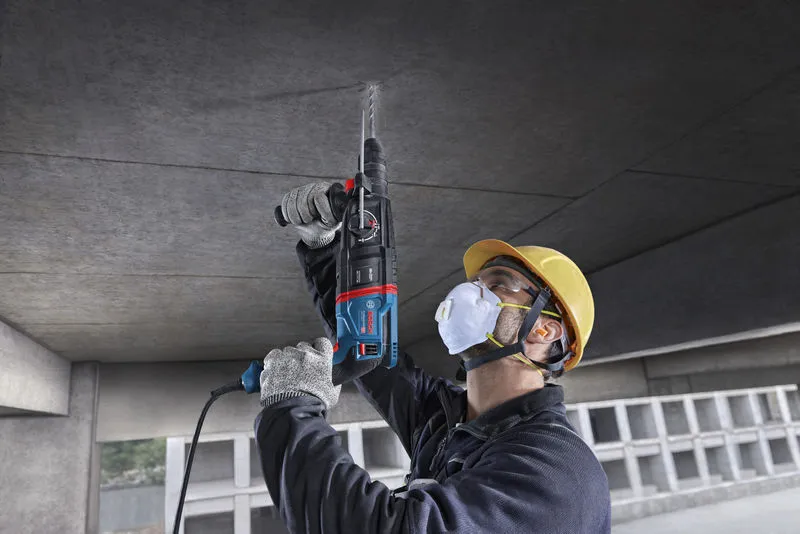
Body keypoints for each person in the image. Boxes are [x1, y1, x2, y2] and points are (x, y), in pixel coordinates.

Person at [254, 183, 611, 533]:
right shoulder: (449, 421)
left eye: (498, 283)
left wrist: (291, 408)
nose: (470, 292)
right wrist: (326, 248)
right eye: (475, 281)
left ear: (544, 331)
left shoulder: (555, 471)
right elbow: (371, 358)